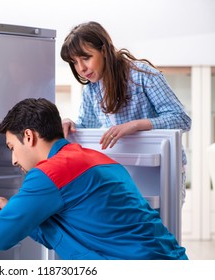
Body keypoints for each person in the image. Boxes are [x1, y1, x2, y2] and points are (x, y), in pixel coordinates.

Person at [0, 98, 188, 260]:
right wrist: (13, 211)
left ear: (29, 137)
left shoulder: (50, 173)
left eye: (12, 147)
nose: (13, 160)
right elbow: (67, 232)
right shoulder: (95, 158)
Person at [60, 21, 191, 203]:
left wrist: (136, 125)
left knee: (160, 226)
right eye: (74, 62)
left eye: (86, 57)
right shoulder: (91, 89)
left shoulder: (141, 74)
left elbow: (182, 119)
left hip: (161, 169)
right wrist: (71, 125)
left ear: (104, 50)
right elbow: (86, 128)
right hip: (122, 172)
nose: (81, 68)